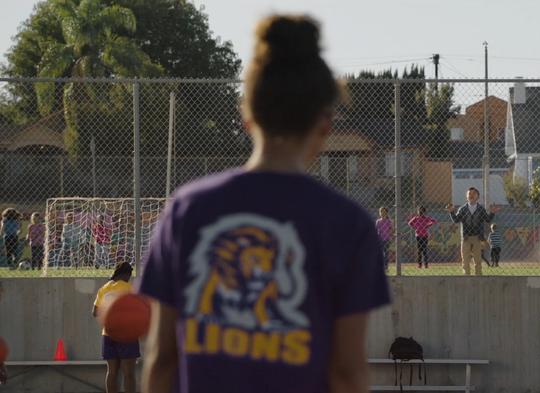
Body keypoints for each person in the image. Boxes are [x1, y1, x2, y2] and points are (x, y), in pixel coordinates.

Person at [136, 14, 390, 393]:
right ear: (325, 125)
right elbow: (346, 372)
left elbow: (162, 358)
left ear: (247, 113)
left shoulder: (188, 209)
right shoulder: (348, 224)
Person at [93, 262, 138, 393]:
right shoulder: (130, 288)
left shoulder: (104, 288)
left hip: (108, 334)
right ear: (127, 275)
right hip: (127, 334)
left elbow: (95, 312)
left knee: (112, 372)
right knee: (128, 372)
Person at [447, 187, 498, 276]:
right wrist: (451, 212)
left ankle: (478, 277)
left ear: (478, 197)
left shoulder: (480, 209)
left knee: (478, 259)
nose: (471, 195)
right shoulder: (462, 209)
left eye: (474, 194)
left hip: (477, 237)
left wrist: (492, 213)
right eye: (469, 194)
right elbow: (456, 220)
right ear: (466, 196)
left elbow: (488, 219)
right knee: (465, 260)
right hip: (466, 238)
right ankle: (466, 276)